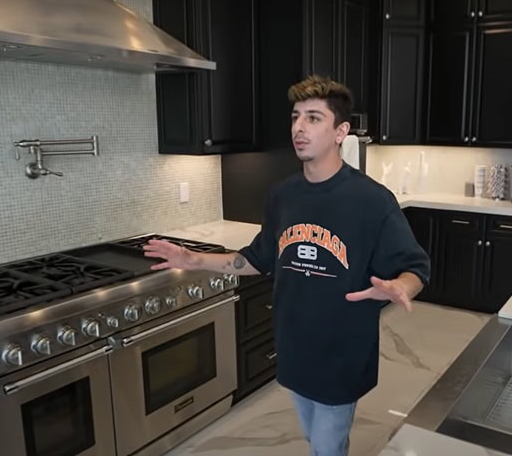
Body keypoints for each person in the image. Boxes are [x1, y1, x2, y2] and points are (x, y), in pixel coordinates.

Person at [143, 75, 431, 456]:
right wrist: (193, 259)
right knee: (317, 440)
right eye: (296, 116)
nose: (299, 127)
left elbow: (416, 267)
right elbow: (258, 260)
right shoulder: (283, 195)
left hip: (342, 352)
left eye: (314, 118)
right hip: (295, 347)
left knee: (327, 446)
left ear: (340, 131)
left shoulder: (372, 200)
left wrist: (401, 287)